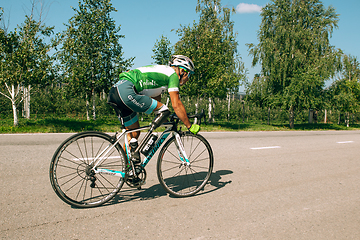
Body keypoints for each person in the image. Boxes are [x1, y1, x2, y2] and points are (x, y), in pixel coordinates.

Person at [107, 55, 200, 163]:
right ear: (182, 71)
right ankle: (148, 140)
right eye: (189, 74)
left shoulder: (159, 78)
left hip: (116, 90)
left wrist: (167, 120)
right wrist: (189, 125)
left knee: (134, 133)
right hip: (127, 91)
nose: (188, 79)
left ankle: (128, 170)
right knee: (165, 110)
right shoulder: (173, 75)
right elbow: (176, 104)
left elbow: (157, 108)